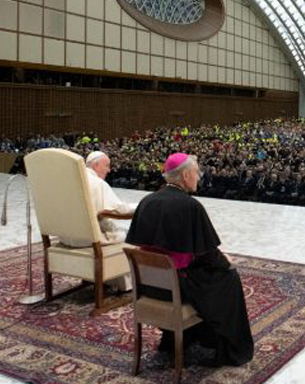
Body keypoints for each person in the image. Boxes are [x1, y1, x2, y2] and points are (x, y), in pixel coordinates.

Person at [126, 152, 254, 367]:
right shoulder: (190, 206)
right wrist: (226, 263)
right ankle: (230, 349)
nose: (198, 177)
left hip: (151, 287)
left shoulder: (147, 201)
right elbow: (208, 254)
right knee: (229, 278)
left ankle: (183, 338)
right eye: (196, 172)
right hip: (177, 286)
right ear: (185, 175)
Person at [85, 151, 136, 291]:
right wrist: (138, 207)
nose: (109, 170)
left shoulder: (72, 179)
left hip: (69, 238)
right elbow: (119, 210)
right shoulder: (97, 183)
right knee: (131, 235)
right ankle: (124, 284)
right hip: (93, 239)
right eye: (106, 165)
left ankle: (92, 276)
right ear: (95, 165)